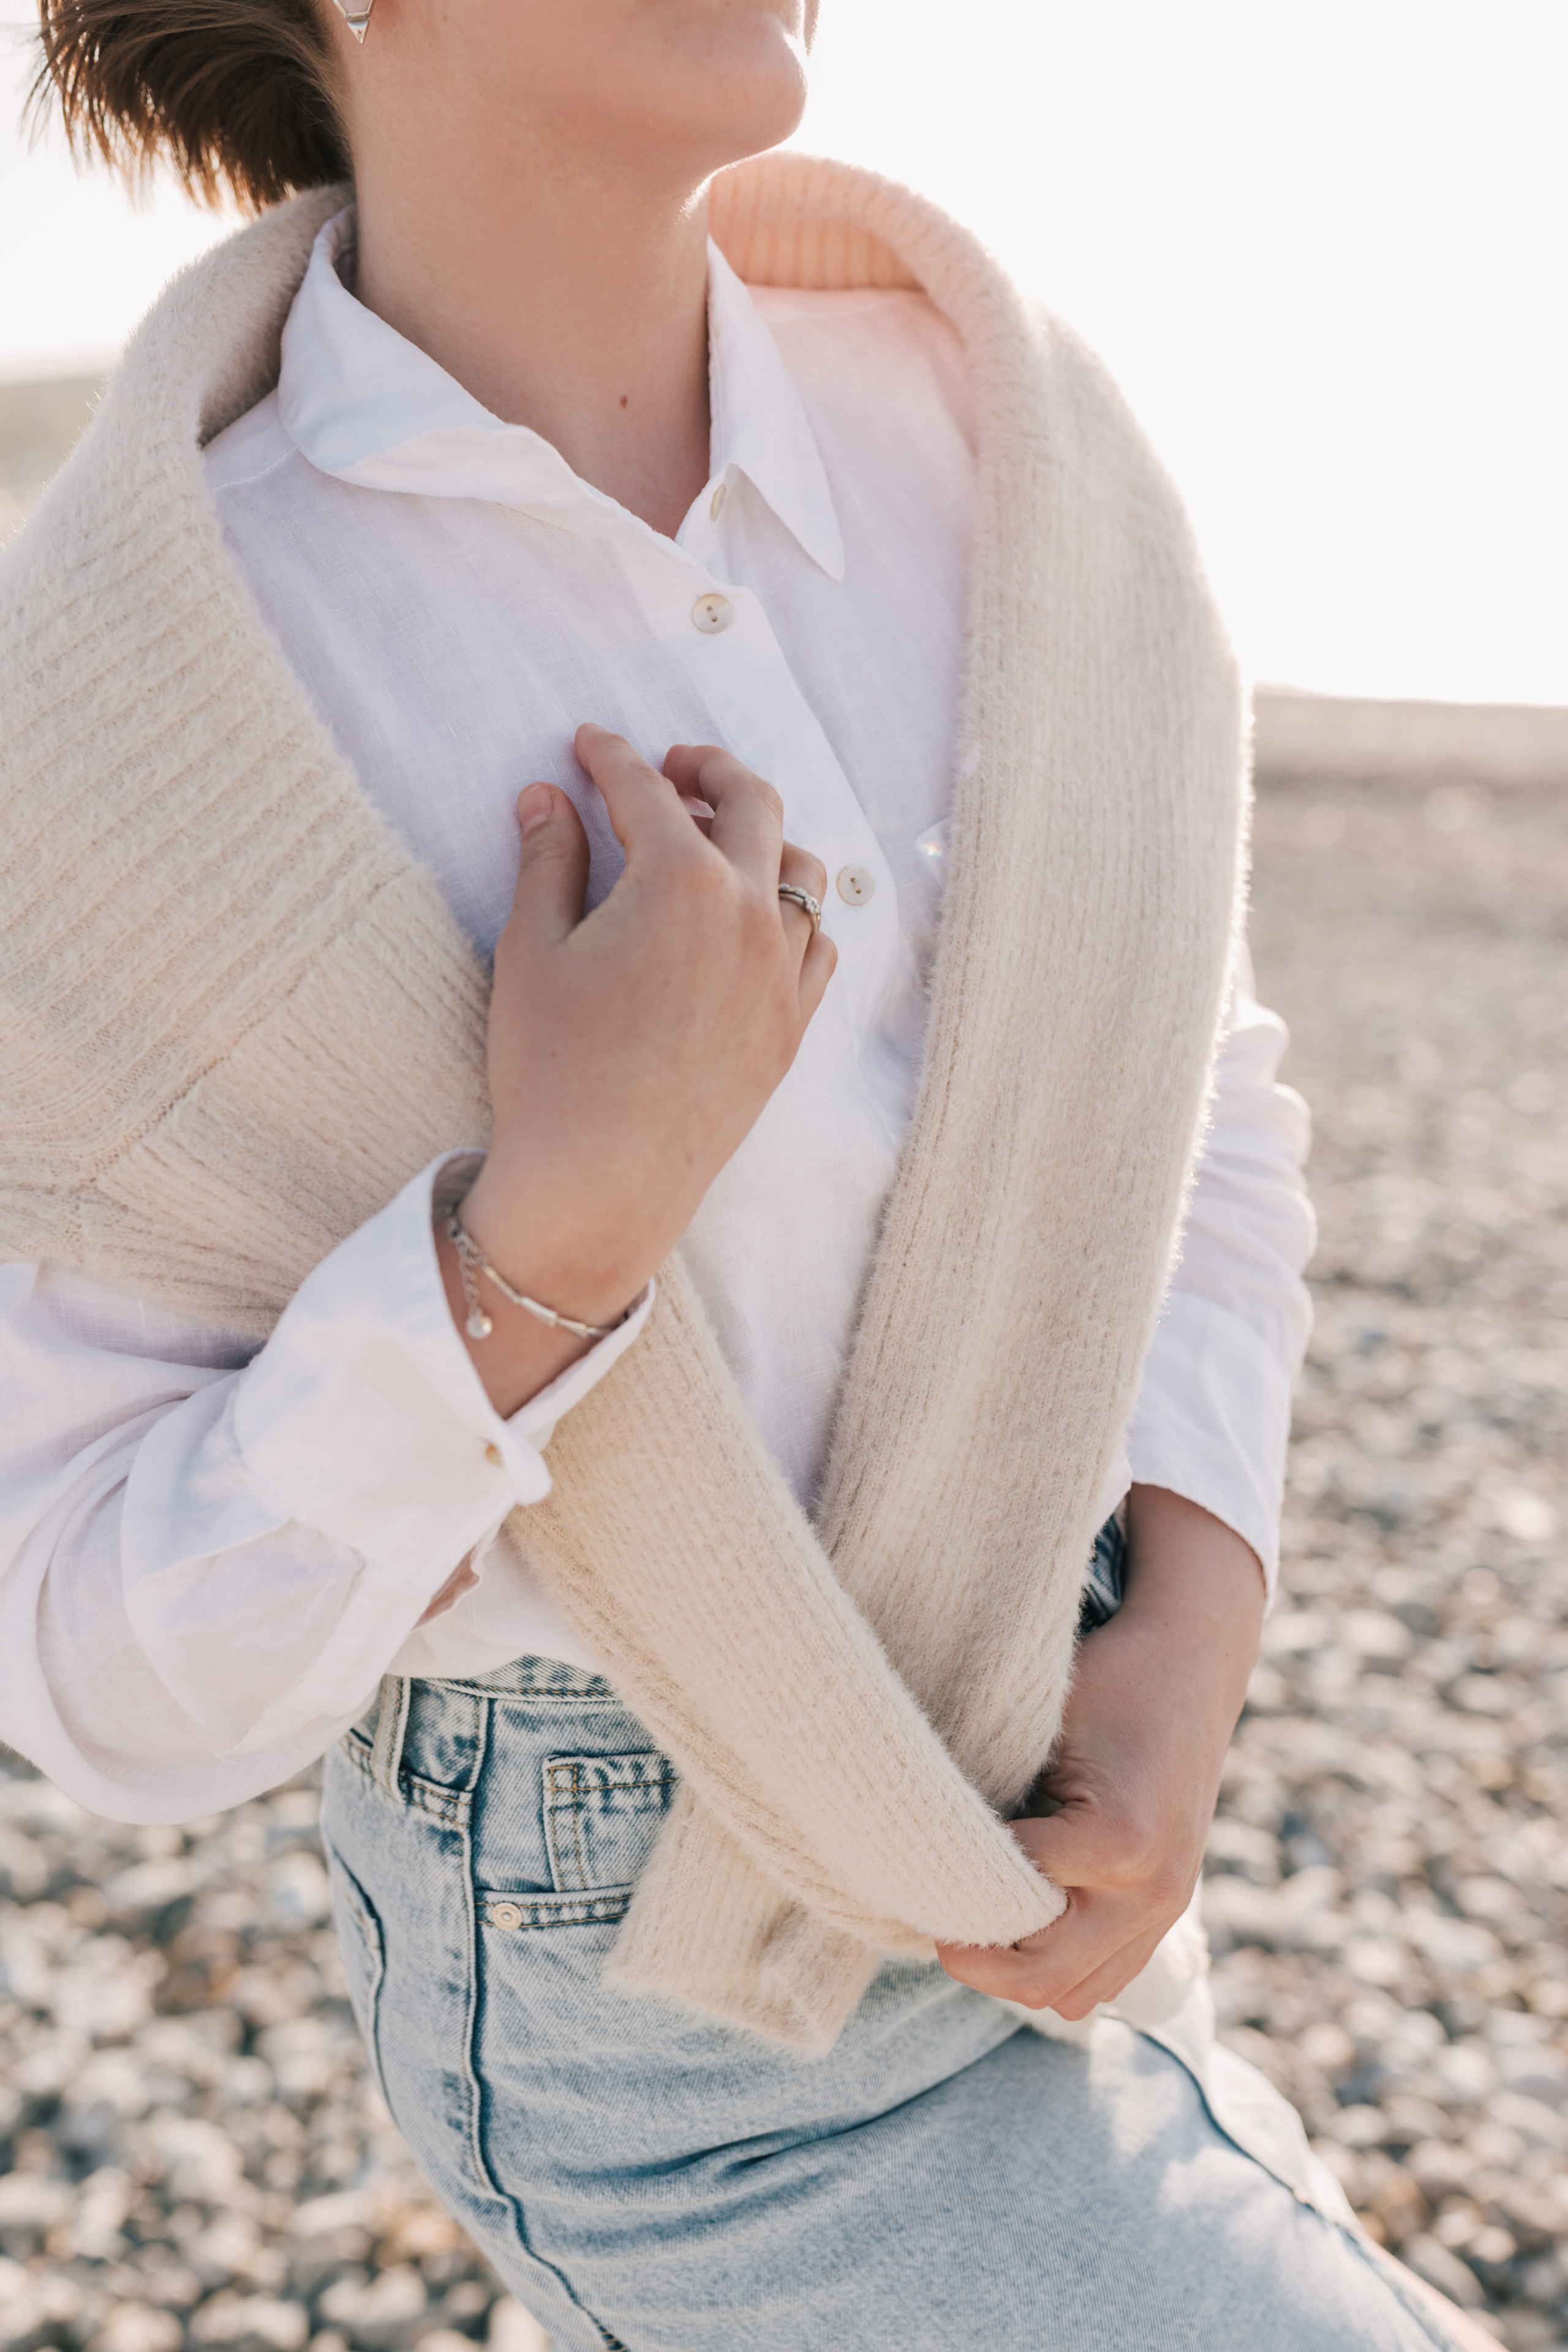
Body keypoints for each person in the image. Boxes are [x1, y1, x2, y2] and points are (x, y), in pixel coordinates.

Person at [0, 2, 1488, 2345]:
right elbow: (100, 1669)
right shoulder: (142, 688)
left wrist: (1185, 1643)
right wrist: (550, 1240)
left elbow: (1185, 1091)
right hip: (654, 2000)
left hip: (1053, 1816)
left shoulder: (1008, 442)